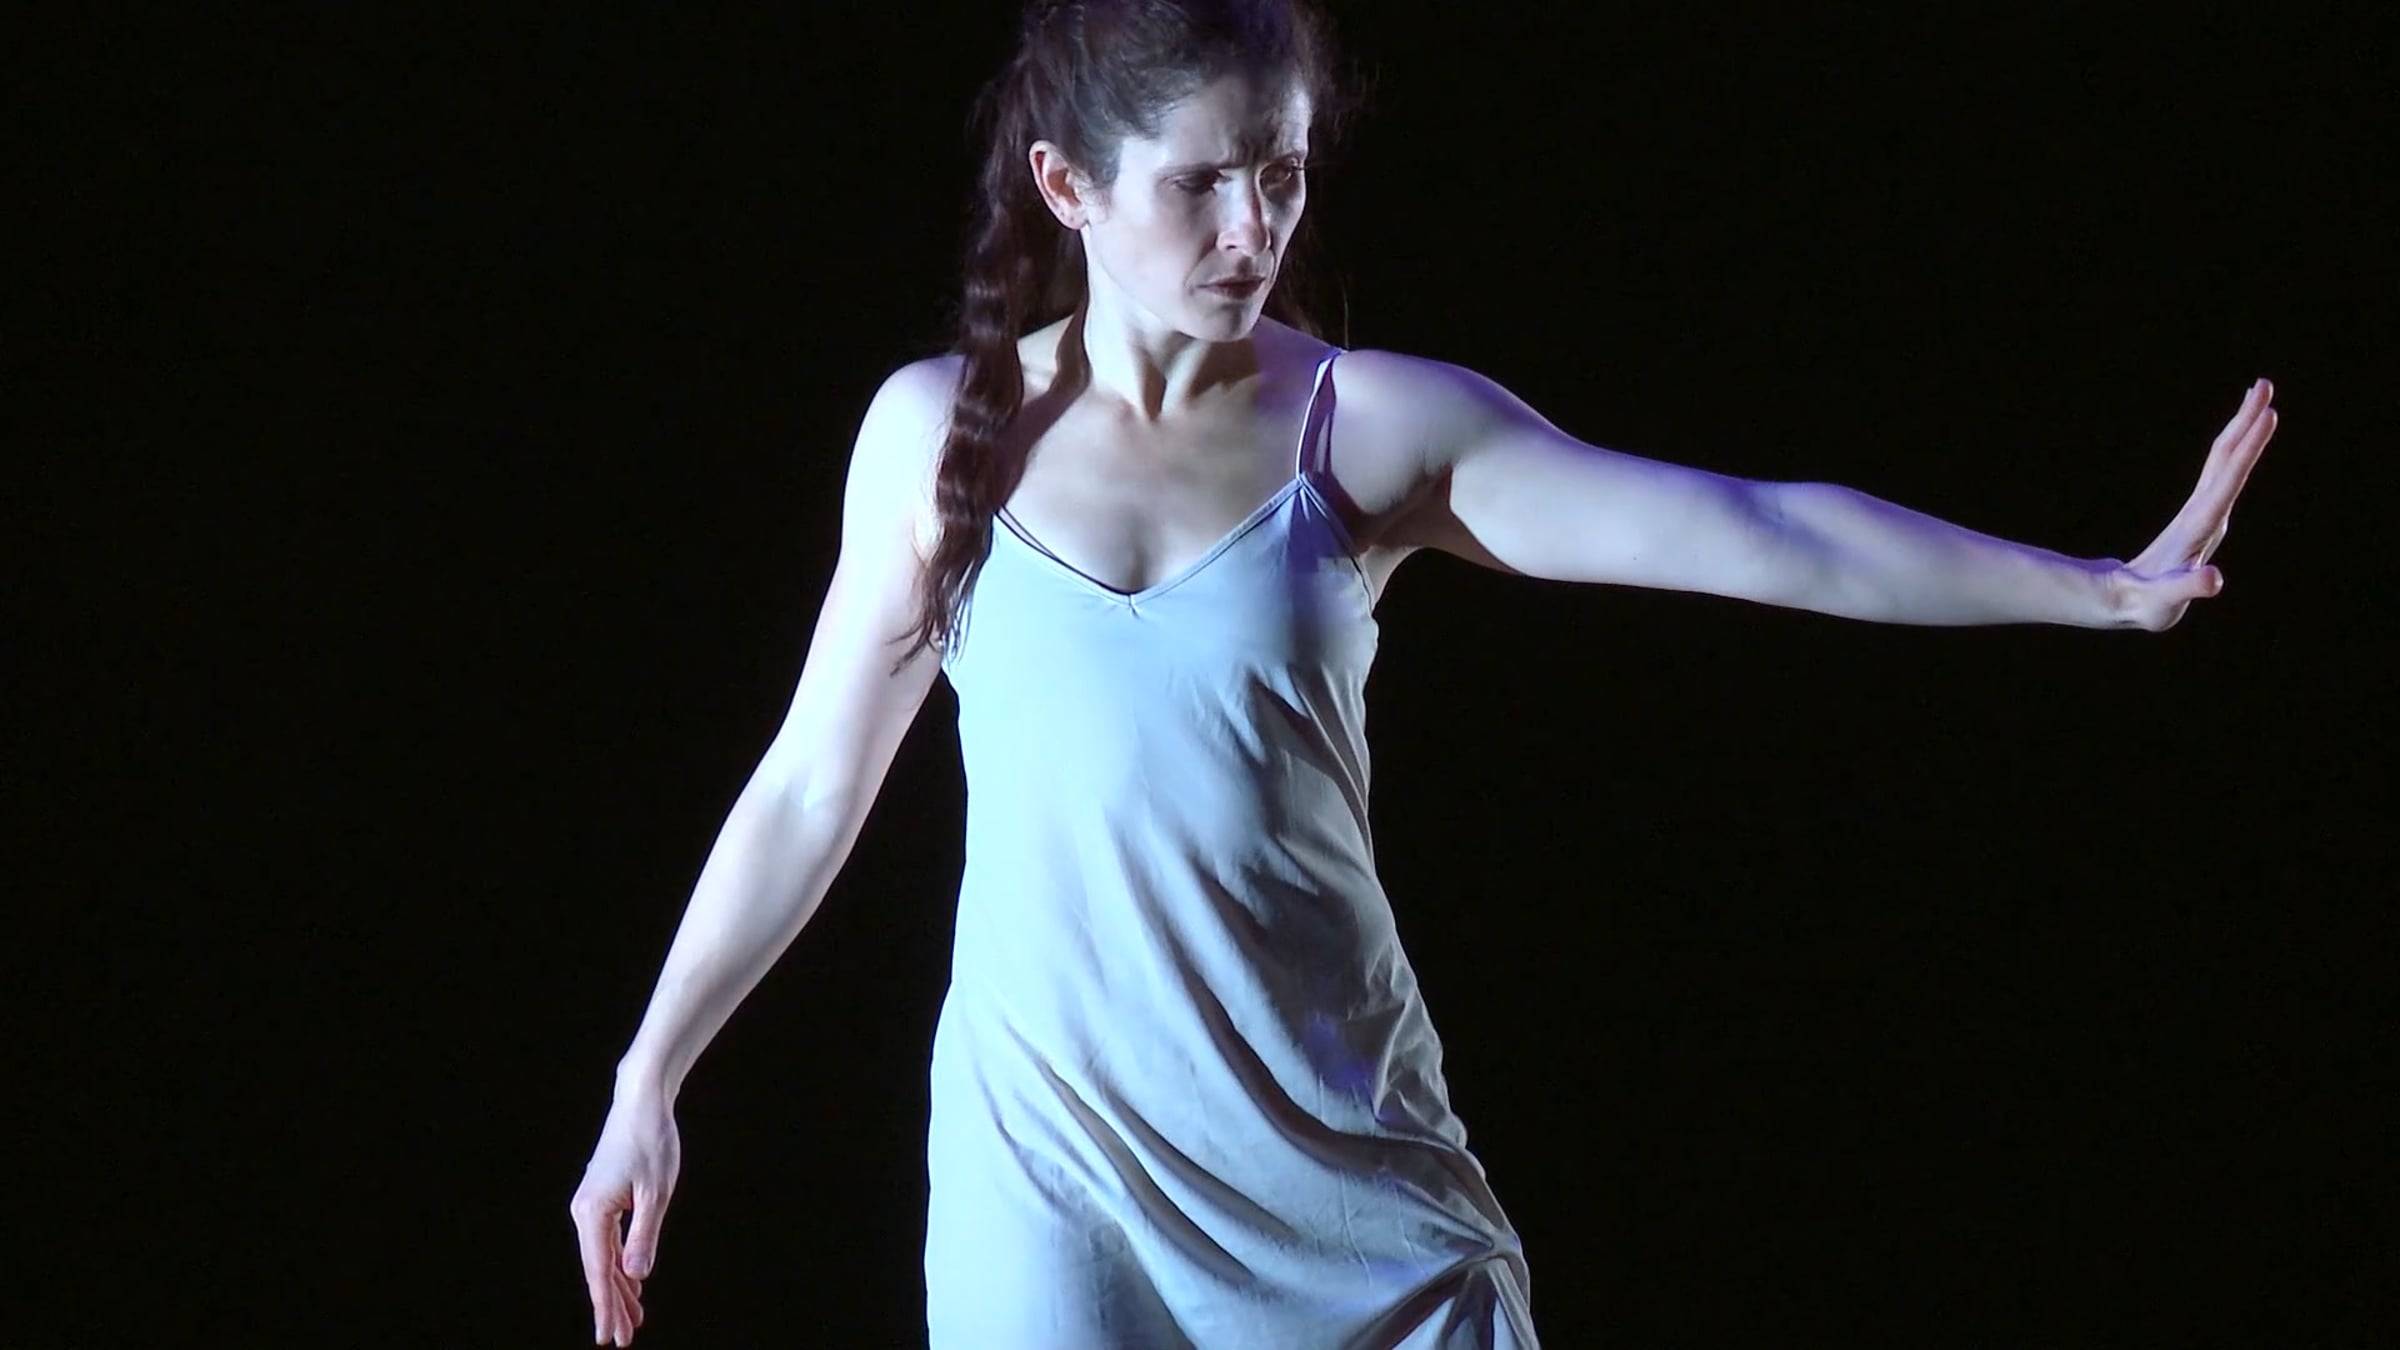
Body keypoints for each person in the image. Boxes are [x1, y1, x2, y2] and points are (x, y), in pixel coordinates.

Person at [569, 1, 2277, 1345]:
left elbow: (1757, 531)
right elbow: (811, 784)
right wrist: (653, 1071)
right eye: (1200, 183)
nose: (1254, 225)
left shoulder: (1364, 429)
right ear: (1068, 186)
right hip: (1056, 1189)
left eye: (1283, 171)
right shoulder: (937, 437)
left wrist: (2097, 591)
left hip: (1340, 1187)